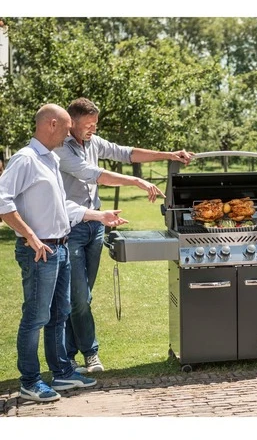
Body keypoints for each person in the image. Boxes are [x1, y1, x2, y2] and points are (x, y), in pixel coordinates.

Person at [54, 97, 193, 374]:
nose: (93, 129)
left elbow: (127, 153)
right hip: (72, 227)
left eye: (95, 124)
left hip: (96, 226)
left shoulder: (94, 142)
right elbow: (92, 174)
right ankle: (90, 353)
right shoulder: (61, 148)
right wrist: (137, 181)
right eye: (88, 124)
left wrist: (169, 155)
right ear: (72, 123)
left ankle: (69, 356)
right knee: (78, 297)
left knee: (82, 297)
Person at [0, 104, 128, 402]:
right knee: (36, 317)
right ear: (52, 124)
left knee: (60, 314)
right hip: (40, 251)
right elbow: (2, 201)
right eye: (68, 127)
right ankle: (30, 381)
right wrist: (30, 236)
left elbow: (62, 206)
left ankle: (62, 372)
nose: (70, 133)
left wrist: (99, 216)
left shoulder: (51, 160)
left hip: (60, 248)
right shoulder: (25, 159)